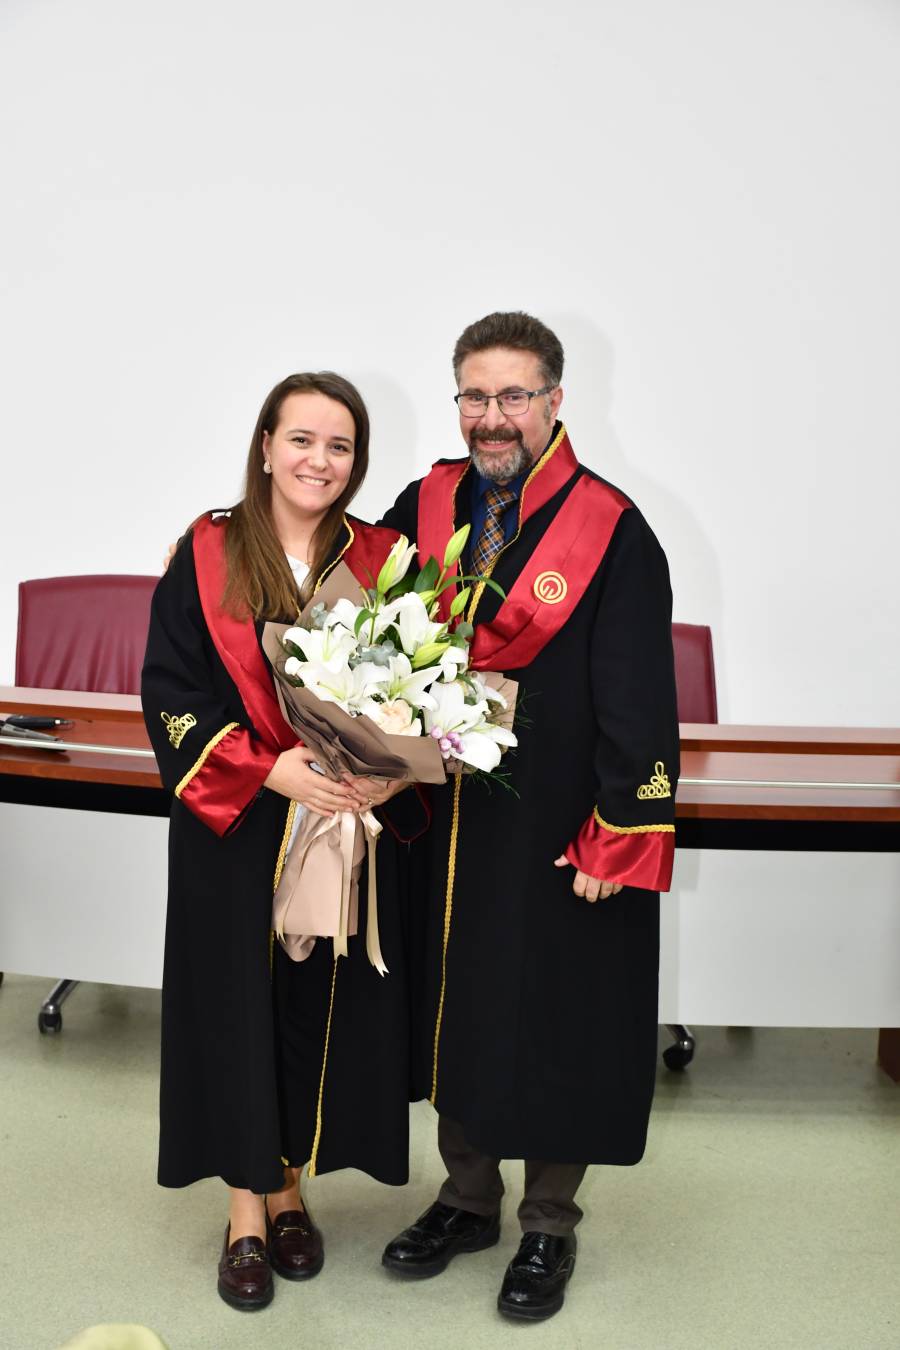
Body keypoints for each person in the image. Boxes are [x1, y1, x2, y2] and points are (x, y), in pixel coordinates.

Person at [379, 312, 680, 1322]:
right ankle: (467, 1199)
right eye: (475, 395)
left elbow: (640, 695)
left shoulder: (612, 528)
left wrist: (619, 830)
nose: (492, 416)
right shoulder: (426, 504)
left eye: (514, 395)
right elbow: (356, 602)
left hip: (558, 819)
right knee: (457, 1001)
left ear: (555, 400)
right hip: (446, 817)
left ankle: (548, 1221)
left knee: (560, 1013)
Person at [141, 372, 426, 1312]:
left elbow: (418, 686)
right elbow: (170, 692)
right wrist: (268, 771)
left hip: (341, 823)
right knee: (237, 1010)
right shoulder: (208, 551)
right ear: (266, 446)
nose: (319, 460)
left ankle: (291, 1187)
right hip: (238, 826)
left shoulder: (381, 557)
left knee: (313, 1006)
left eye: (340, 446)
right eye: (301, 439)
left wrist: (385, 767)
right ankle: (245, 1212)